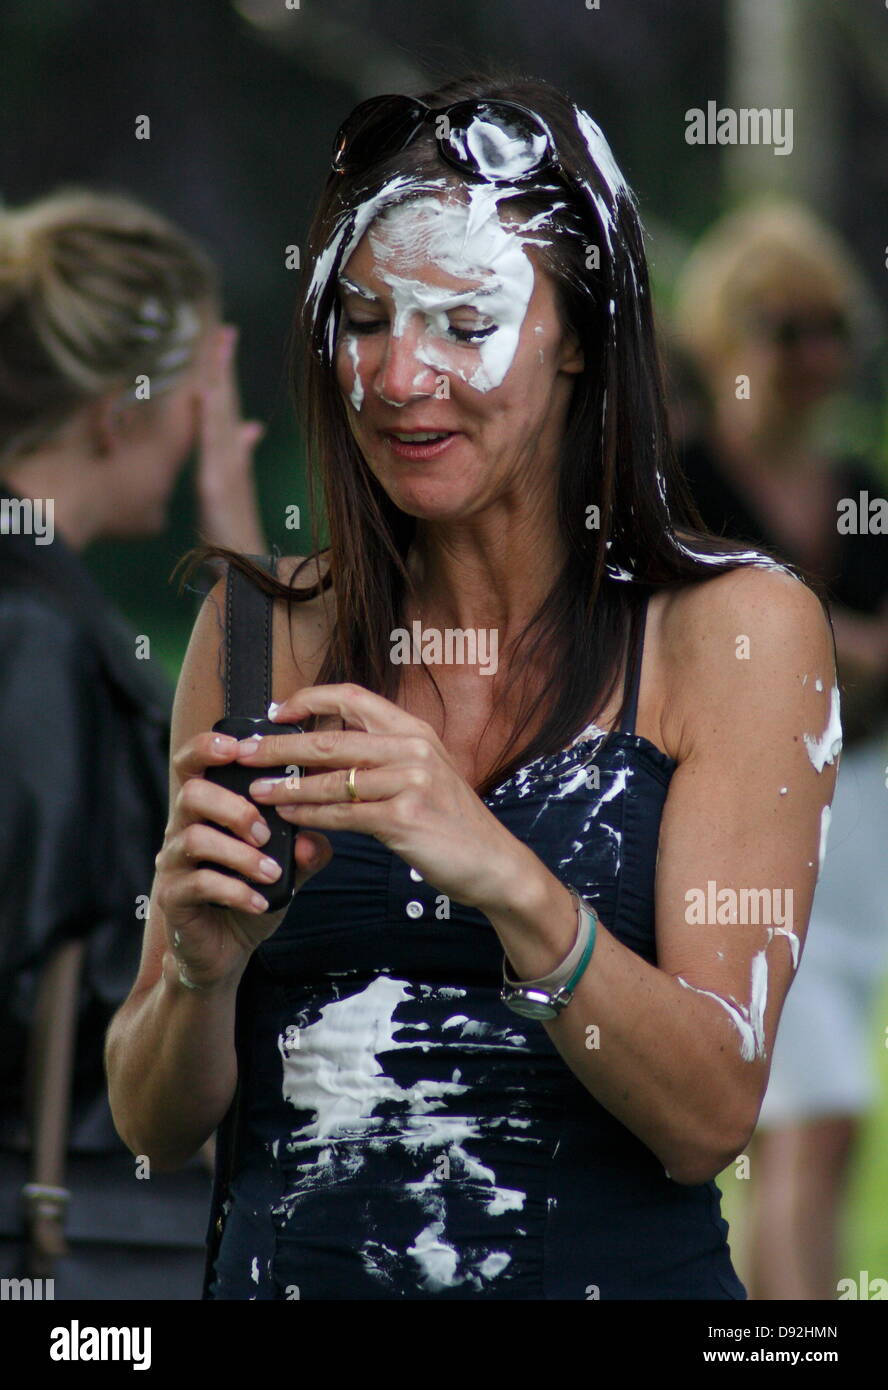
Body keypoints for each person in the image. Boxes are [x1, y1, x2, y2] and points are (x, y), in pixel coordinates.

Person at [107, 72, 841, 1301]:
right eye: (366, 318)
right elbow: (151, 1122)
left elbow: (710, 1113)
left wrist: (501, 872)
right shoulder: (261, 632)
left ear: (580, 340)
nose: (399, 378)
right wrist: (200, 965)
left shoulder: (735, 634)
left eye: (464, 321)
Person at [0, 186, 268, 1297]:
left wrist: (240, 560)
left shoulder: (40, 609)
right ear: (119, 411)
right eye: (197, 393)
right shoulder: (31, 634)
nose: (210, 419)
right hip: (67, 1226)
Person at [673, 199, 888, 1299]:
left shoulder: (859, 491)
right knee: (812, 1113)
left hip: (861, 830)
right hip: (747, 825)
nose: (809, 354)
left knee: (826, 1132)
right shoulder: (683, 483)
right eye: (780, 325)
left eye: (827, 326)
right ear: (721, 336)